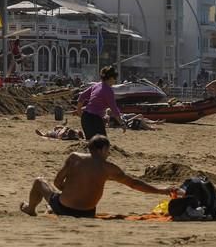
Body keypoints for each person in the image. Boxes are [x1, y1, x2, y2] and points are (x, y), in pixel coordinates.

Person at [20, 135, 175, 217]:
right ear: (101, 150)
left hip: (64, 207)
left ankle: (31, 209)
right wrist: (162, 190)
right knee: (56, 195)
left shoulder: (74, 157)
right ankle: (46, 207)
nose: (108, 154)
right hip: (88, 212)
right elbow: (134, 184)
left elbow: (57, 181)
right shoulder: (109, 168)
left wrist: (67, 191)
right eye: (108, 151)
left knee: (39, 181)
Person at [76, 66, 125, 139]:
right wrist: (122, 123)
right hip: (95, 120)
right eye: (115, 79)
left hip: (85, 118)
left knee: (91, 144)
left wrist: (79, 111)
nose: (115, 81)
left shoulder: (96, 85)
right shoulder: (108, 91)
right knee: (102, 144)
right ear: (111, 78)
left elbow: (82, 96)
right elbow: (114, 108)